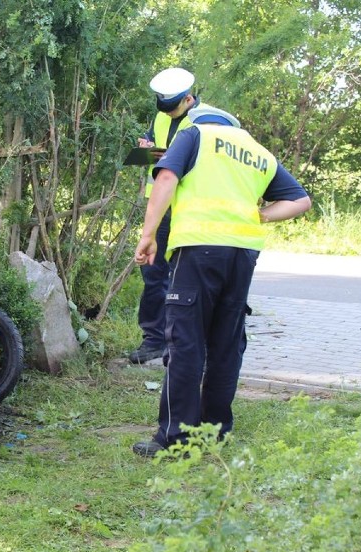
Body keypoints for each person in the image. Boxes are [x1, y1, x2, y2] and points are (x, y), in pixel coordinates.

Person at [131, 105, 311, 457]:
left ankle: (176, 440)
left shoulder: (195, 135)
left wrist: (149, 234)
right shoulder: (257, 151)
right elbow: (300, 201)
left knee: (185, 342)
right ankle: (215, 432)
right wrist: (260, 214)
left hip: (199, 248)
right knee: (226, 344)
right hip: (243, 254)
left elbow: (165, 177)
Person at [130, 67, 201, 365]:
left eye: (173, 107)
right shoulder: (161, 115)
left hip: (189, 207)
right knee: (153, 274)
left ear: (187, 99)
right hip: (159, 208)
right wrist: (144, 148)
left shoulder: (202, 122)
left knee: (184, 278)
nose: (168, 112)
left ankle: (180, 345)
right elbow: (148, 150)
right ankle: (154, 340)